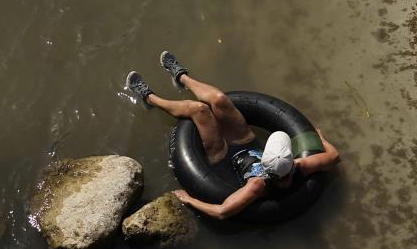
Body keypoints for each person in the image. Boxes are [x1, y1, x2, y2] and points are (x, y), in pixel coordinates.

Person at [126, 51, 340, 220]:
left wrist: (189, 200)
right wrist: (319, 140)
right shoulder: (300, 166)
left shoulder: (256, 186)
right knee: (219, 99)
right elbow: (334, 157)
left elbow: (222, 212)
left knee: (199, 111)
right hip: (247, 141)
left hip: (223, 159)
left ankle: (150, 98)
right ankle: (182, 77)